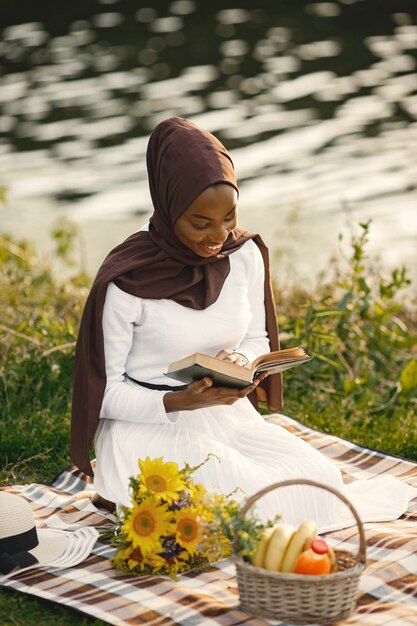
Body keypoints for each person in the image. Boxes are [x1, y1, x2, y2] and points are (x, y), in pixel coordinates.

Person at [71, 117, 414, 531]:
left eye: (229, 216)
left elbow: (257, 337)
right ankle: (116, 490)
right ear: (167, 203)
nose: (219, 234)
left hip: (222, 417)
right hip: (145, 425)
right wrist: (179, 402)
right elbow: (102, 393)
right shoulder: (128, 280)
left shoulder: (243, 255)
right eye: (201, 222)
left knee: (319, 482)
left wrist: (240, 360)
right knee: (242, 503)